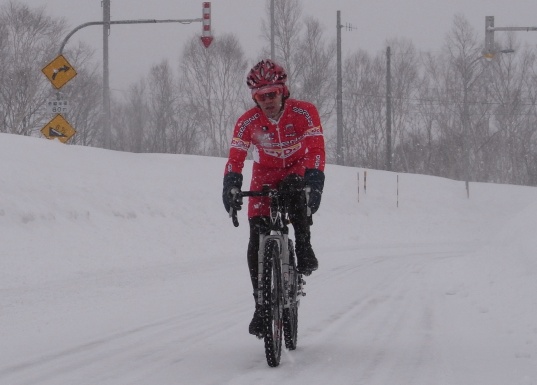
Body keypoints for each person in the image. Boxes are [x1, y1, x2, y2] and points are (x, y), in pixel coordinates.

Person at [222, 59, 326, 336]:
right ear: (254, 98)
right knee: (256, 234)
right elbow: (236, 158)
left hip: (296, 168)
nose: (267, 101)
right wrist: (231, 186)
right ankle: (261, 306)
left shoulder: (304, 113)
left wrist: (315, 182)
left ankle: (303, 246)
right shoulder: (247, 122)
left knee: (295, 191)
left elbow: (316, 148)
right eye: (261, 96)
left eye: (272, 94)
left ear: (283, 92)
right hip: (264, 174)